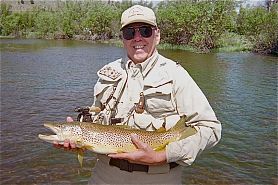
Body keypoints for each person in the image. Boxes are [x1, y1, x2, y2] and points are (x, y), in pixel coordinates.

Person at [59, 5, 221, 184]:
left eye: (145, 31)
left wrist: (162, 156)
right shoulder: (108, 72)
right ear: (123, 38)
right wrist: (79, 135)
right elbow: (99, 117)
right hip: (104, 175)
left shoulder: (176, 75)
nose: (137, 38)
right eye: (129, 32)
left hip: (159, 178)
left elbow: (210, 128)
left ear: (157, 35)